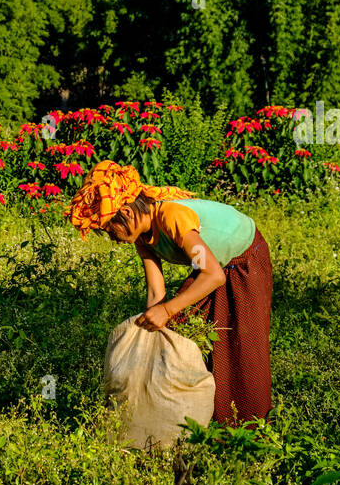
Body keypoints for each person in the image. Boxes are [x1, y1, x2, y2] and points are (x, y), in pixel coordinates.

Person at [68, 161, 272, 426]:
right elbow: (156, 291)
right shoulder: (141, 236)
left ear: (128, 213)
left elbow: (213, 276)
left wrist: (166, 311)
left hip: (244, 261)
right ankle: (186, 415)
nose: (112, 238)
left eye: (109, 229)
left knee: (240, 345)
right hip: (213, 265)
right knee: (179, 327)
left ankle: (248, 425)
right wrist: (150, 326)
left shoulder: (170, 217)